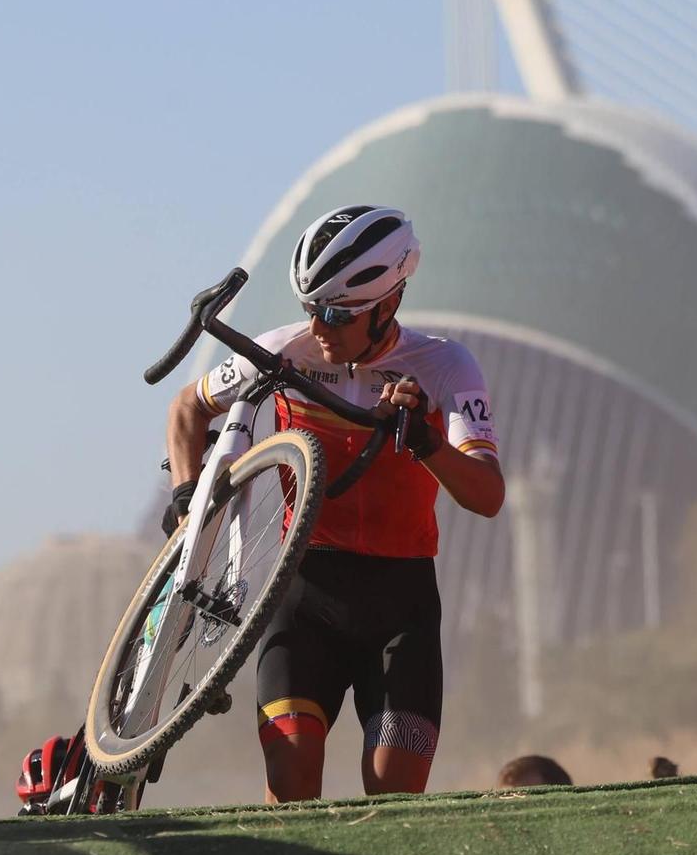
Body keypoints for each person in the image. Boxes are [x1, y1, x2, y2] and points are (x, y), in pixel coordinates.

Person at [164, 205, 503, 803]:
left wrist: (425, 441)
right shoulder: (285, 352)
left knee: (394, 799)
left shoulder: (445, 366)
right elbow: (188, 408)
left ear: (388, 304)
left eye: (337, 314)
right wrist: (188, 495)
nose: (320, 327)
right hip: (303, 592)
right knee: (291, 780)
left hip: (402, 604)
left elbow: (486, 494)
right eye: (310, 308)